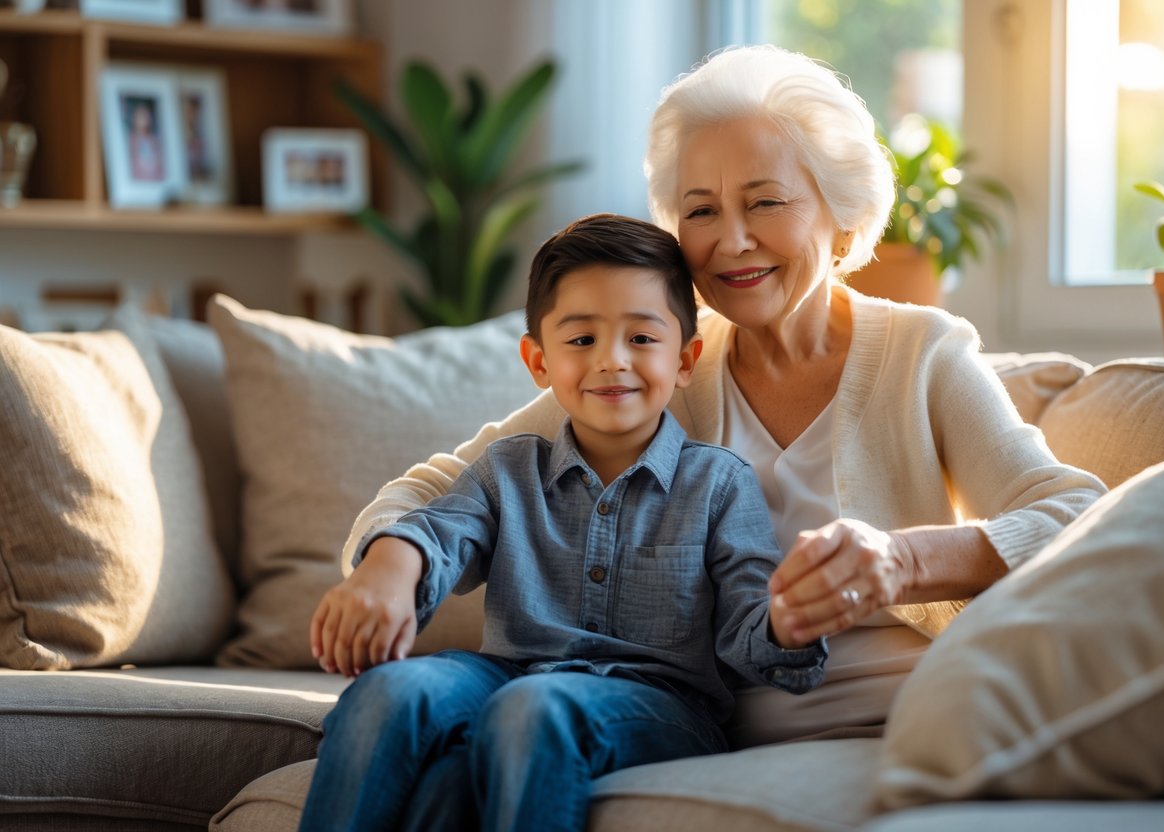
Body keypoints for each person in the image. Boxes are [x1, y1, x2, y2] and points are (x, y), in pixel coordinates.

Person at [334, 44, 1107, 749]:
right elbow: (437, 490)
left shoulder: (920, 352)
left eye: (765, 202)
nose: (730, 240)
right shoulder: (664, 366)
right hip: (685, 722)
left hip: (905, 716)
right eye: (700, 210)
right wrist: (390, 562)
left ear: (841, 219)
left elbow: (1077, 516)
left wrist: (902, 559)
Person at [302, 214, 828, 831]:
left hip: (660, 704)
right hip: (507, 674)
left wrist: (788, 623)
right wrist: (391, 562)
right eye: (581, 341)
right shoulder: (507, 470)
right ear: (538, 361)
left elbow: (748, 623)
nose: (611, 361)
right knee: (391, 696)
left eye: (641, 338)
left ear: (686, 359)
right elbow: (445, 531)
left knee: (534, 708)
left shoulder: (718, 483)